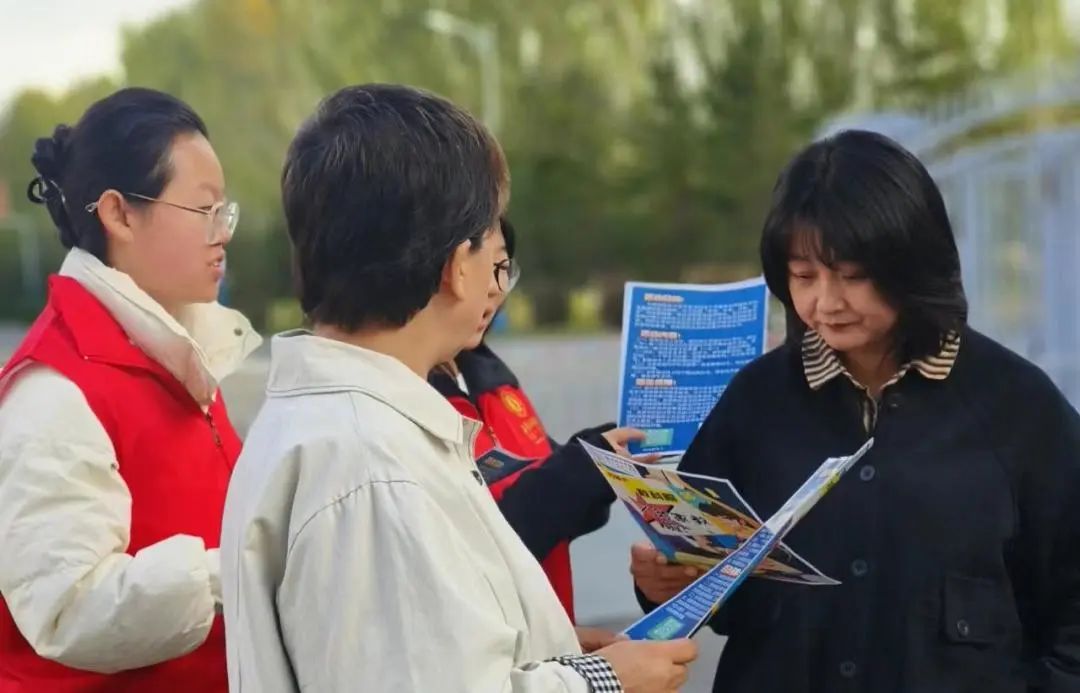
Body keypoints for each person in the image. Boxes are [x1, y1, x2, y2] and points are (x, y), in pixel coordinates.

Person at [220, 83, 696, 693]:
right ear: (454, 266)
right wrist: (604, 682)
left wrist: (545, 646)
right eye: (493, 254)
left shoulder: (342, 428)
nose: (499, 283)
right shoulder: (371, 469)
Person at [630, 129, 1080, 692]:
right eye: (804, 276)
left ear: (912, 262)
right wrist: (664, 584)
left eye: (853, 275)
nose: (827, 302)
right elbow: (711, 587)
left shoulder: (1018, 406)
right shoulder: (755, 401)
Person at [0, 88, 259, 691]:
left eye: (225, 211)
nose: (222, 233)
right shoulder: (55, 389)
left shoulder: (179, 353)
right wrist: (236, 571)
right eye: (204, 209)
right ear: (118, 214)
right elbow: (67, 608)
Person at [429, 217, 647, 639]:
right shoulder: (408, 396)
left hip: (545, 645)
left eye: (504, 269)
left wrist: (601, 463)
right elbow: (480, 549)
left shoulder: (487, 375)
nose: (495, 288)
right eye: (483, 268)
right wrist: (579, 470)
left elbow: (541, 484)